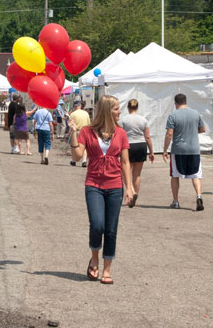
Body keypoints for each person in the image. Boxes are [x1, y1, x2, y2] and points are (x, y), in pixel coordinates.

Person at [68, 95, 133, 284]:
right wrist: (73, 132)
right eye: (116, 109)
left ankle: (107, 268)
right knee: (97, 224)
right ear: (106, 110)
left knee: (111, 229)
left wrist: (129, 188)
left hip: (114, 186)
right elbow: (78, 156)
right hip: (94, 184)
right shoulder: (87, 132)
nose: (119, 112)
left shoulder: (120, 133)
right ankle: (94, 259)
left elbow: (126, 162)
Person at [163, 94, 205, 211]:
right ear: (186, 102)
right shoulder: (196, 113)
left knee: (175, 175)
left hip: (178, 150)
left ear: (175, 103)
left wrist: (165, 150)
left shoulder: (173, 115)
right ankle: (199, 196)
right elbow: (203, 129)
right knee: (196, 175)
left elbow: (169, 134)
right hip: (194, 149)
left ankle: (176, 201)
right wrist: (192, 131)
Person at [119, 99, 154, 206]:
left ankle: (131, 192)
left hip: (128, 146)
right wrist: (151, 152)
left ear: (128, 107)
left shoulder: (123, 120)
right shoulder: (143, 120)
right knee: (137, 174)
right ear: (137, 108)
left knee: (125, 172)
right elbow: (147, 137)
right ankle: (135, 196)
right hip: (141, 145)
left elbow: (119, 135)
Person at [69, 100, 91, 167]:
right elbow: (89, 124)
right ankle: (84, 161)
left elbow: (70, 124)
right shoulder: (86, 113)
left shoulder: (72, 114)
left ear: (74, 106)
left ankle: (74, 160)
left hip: (76, 131)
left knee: (75, 146)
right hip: (85, 132)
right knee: (84, 147)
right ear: (80, 106)